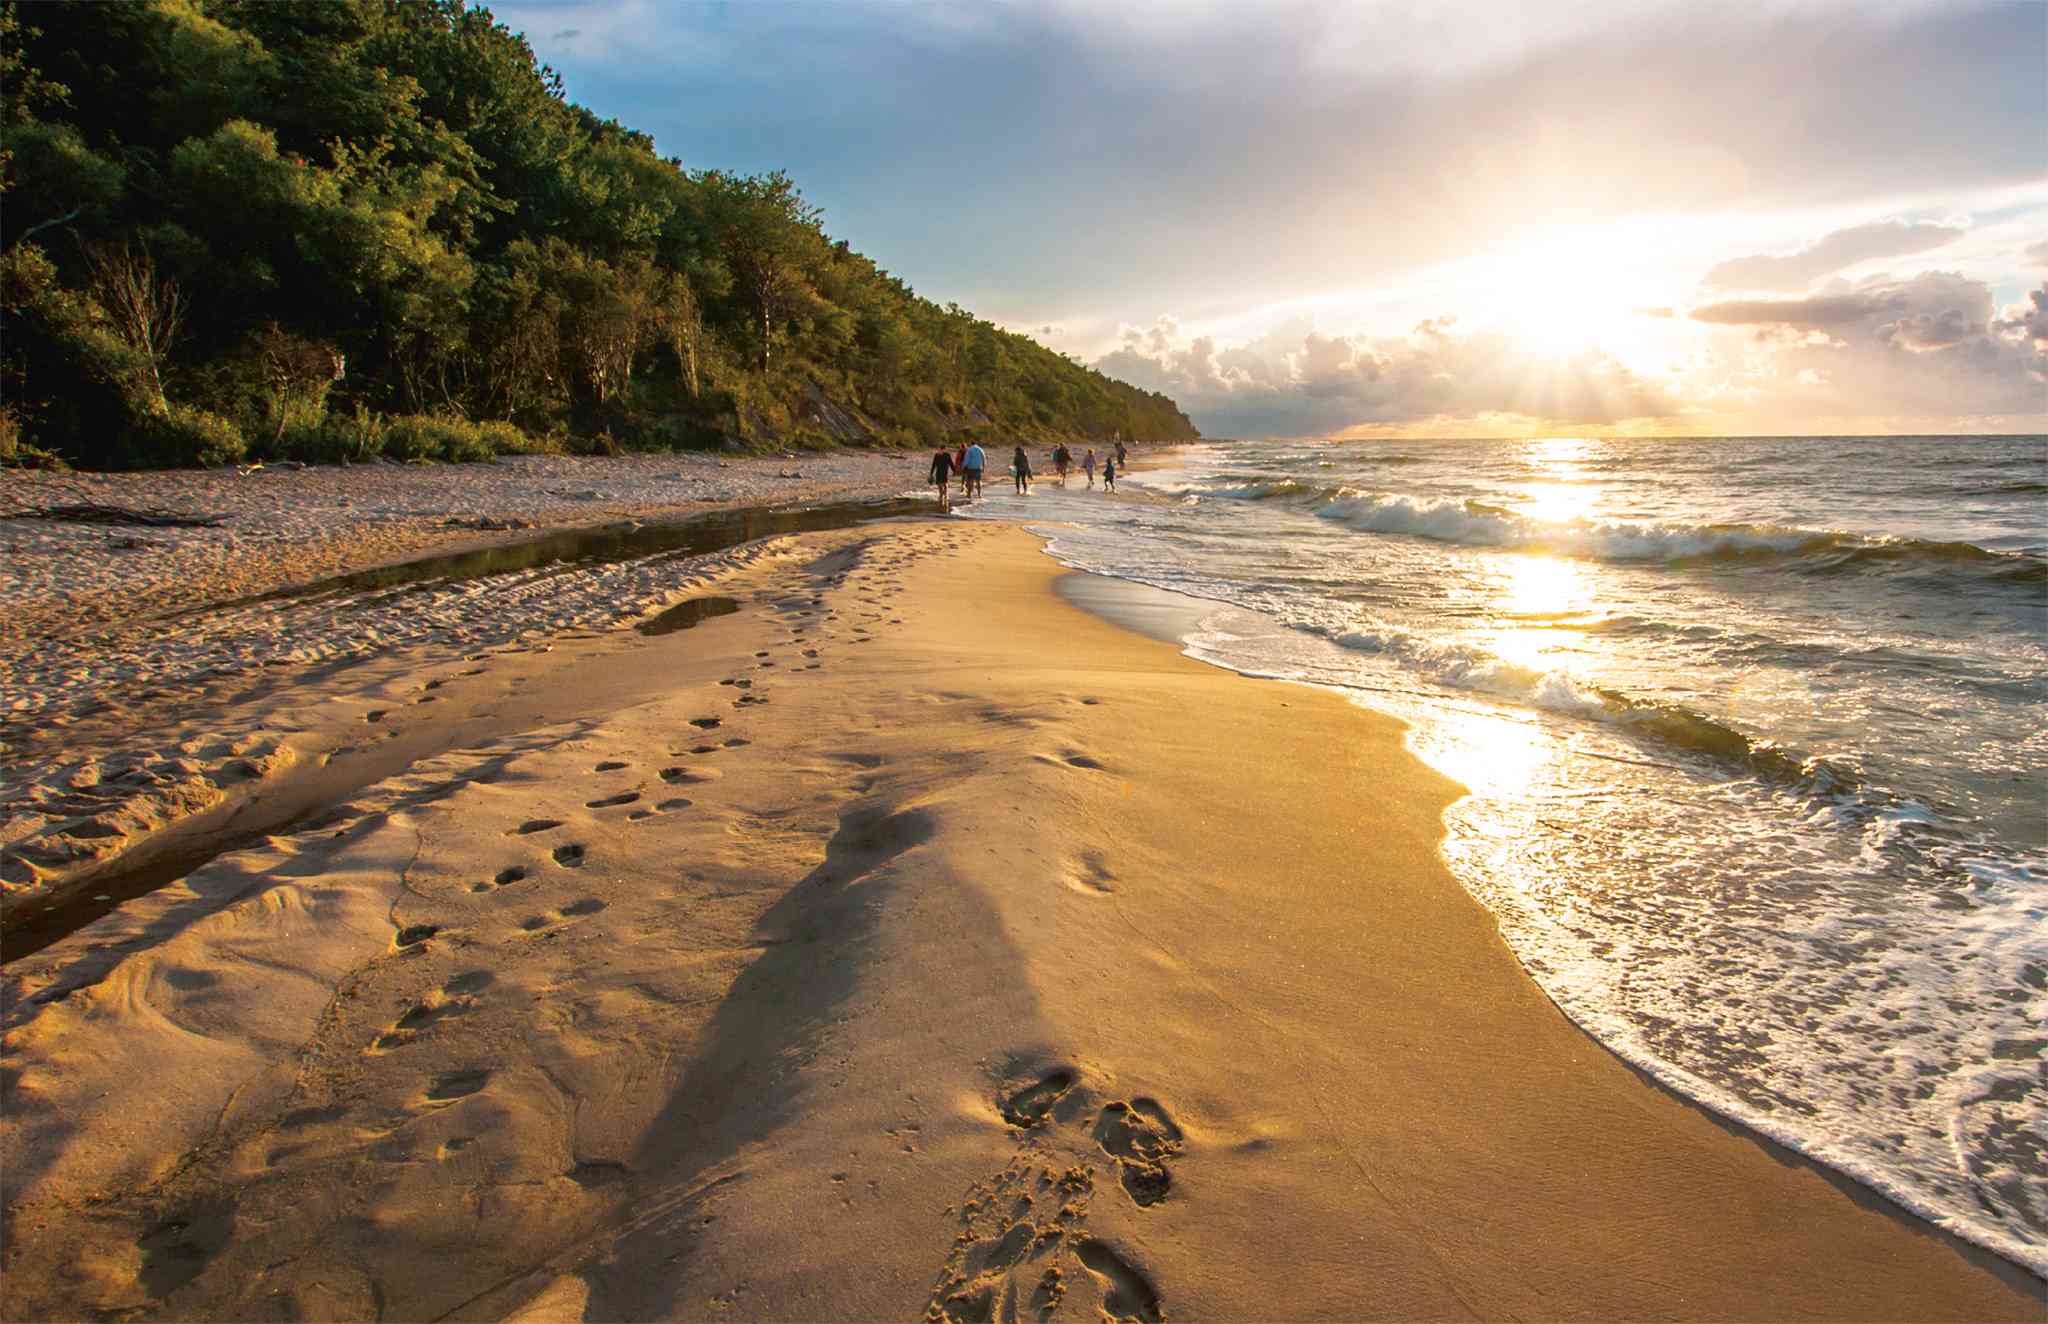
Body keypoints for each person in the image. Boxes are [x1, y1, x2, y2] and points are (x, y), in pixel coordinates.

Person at [928, 446, 953, 511]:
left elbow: (951, 463)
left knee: (945, 484)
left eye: (942, 450)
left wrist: (954, 470)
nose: (940, 451)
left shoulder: (947, 455)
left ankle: (945, 495)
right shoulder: (936, 455)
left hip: (945, 472)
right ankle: (941, 495)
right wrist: (931, 473)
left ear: (944, 449)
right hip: (939, 472)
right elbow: (934, 464)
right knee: (939, 484)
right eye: (940, 450)